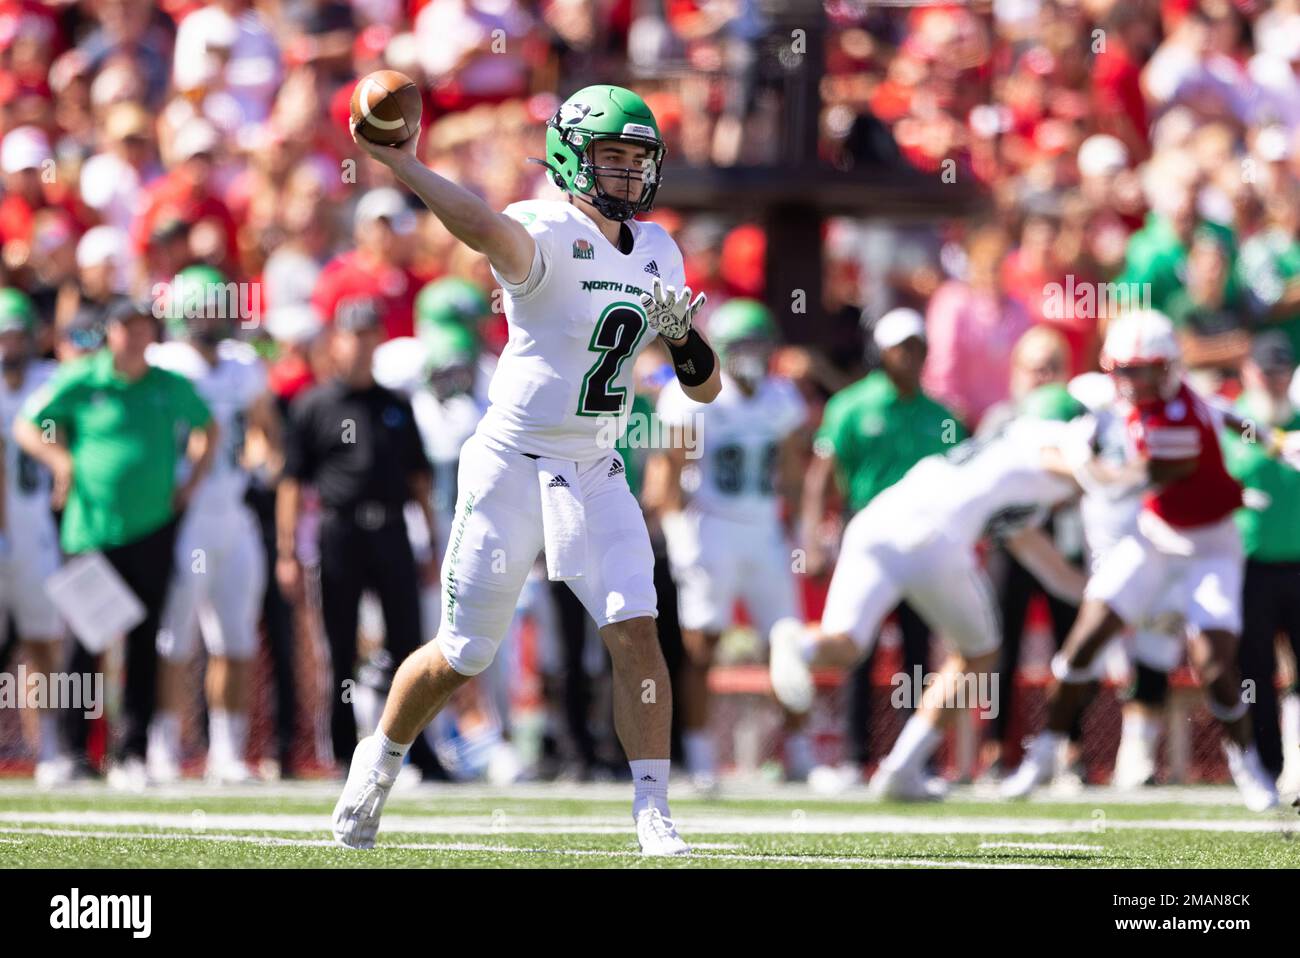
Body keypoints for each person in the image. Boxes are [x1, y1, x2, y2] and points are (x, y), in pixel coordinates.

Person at [333, 84, 722, 856]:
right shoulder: (543, 227)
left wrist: (681, 335)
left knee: (636, 632)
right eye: (610, 156)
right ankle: (375, 768)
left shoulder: (658, 249)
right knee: (463, 652)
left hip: (595, 464)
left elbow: (704, 386)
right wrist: (403, 164)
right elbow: (480, 225)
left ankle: (653, 809)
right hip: (511, 460)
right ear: (569, 156)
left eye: (637, 158)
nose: (625, 173)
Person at [1002, 310, 1280, 811]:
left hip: (1209, 544)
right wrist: (1275, 441)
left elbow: (1140, 475)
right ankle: (1043, 751)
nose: (1126, 381)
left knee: (1216, 668)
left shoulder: (1183, 418)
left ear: (1167, 368)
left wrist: (1087, 467)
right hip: (1152, 536)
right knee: (1082, 645)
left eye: (1138, 370)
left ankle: (1247, 762)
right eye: (1121, 370)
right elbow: (1232, 417)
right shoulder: (1123, 394)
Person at [770, 385, 1089, 799]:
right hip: (933, 537)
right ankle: (902, 767)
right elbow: (1076, 467)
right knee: (980, 655)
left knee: (846, 645)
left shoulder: (1007, 463)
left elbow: (1047, 563)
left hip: (877, 521)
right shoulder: (1045, 443)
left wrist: (1113, 603)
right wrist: (1134, 474)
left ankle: (799, 643)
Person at [15, 298, 217, 789]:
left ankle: (132, 753)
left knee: (144, 642)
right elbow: (30, 425)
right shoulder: (83, 379)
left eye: (143, 327)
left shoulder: (168, 385)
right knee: (85, 643)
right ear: (110, 333)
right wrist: (60, 460)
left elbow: (207, 427)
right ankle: (71, 753)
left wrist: (189, 485)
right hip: (90, 531)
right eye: (126, 327)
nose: (135, 336)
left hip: (152, 529)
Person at [646, 298, 810, 791]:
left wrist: (800, 532)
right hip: (711, 527)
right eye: (740, 344)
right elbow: (667, 471)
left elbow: (794, 472)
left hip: (763, 529)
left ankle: (799, 755)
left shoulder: (783, 397)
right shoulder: (691, 395)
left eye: (758, 343)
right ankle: (700, 758)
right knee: (702, 646)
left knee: (787, 642)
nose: (751, 354)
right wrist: (677, 534)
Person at [799, 308, 964, 791]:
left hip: (924, 540)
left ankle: (917, 761)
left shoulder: (943, 416)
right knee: (857, 645)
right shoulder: (851, 407)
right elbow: (820, 477)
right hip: (867, 536)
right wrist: (812, 538)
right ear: (882, 352)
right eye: (900, 347)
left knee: (919, 654)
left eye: (916, 346)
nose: (909, 356)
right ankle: (853, 758)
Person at [277, 296, 441, 779]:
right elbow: (292, 481)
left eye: (370, 334)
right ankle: (345, 751)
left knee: (410, 644)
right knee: (340, 643)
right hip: (339, 531)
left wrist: (430, 543)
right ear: (335, 341)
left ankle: (418, 749)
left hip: (390, 529)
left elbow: (418, 479)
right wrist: (287, 551)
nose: (362, 344)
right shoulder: (313, 406)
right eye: (353, 334)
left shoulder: (395, 405)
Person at [146, 266, 276, 784]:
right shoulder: (165, 364)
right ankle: (161, 746)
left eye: (219, 307)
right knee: (172, 640)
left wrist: (262, 458)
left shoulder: (243, 365)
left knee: (237, 639)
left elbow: (266, 428)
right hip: (183, 517)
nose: (214, 317)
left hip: (233, 515)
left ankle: (227, 751)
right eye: (204, 308)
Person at [1223, 332, 1300, 790]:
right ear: (1248, 372)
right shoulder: (1236, 424)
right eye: (1264, 370)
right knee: (1255, 669)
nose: (1272, 379)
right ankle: (1266, 765)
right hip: (1249, 565)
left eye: (1280, 370)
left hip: (1299, 563)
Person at [0, 289, 68, 785]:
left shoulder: (52, 383)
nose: (9, 345)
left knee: (43, 642)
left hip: (39, 532)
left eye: (16, 335)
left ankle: (48, 747)